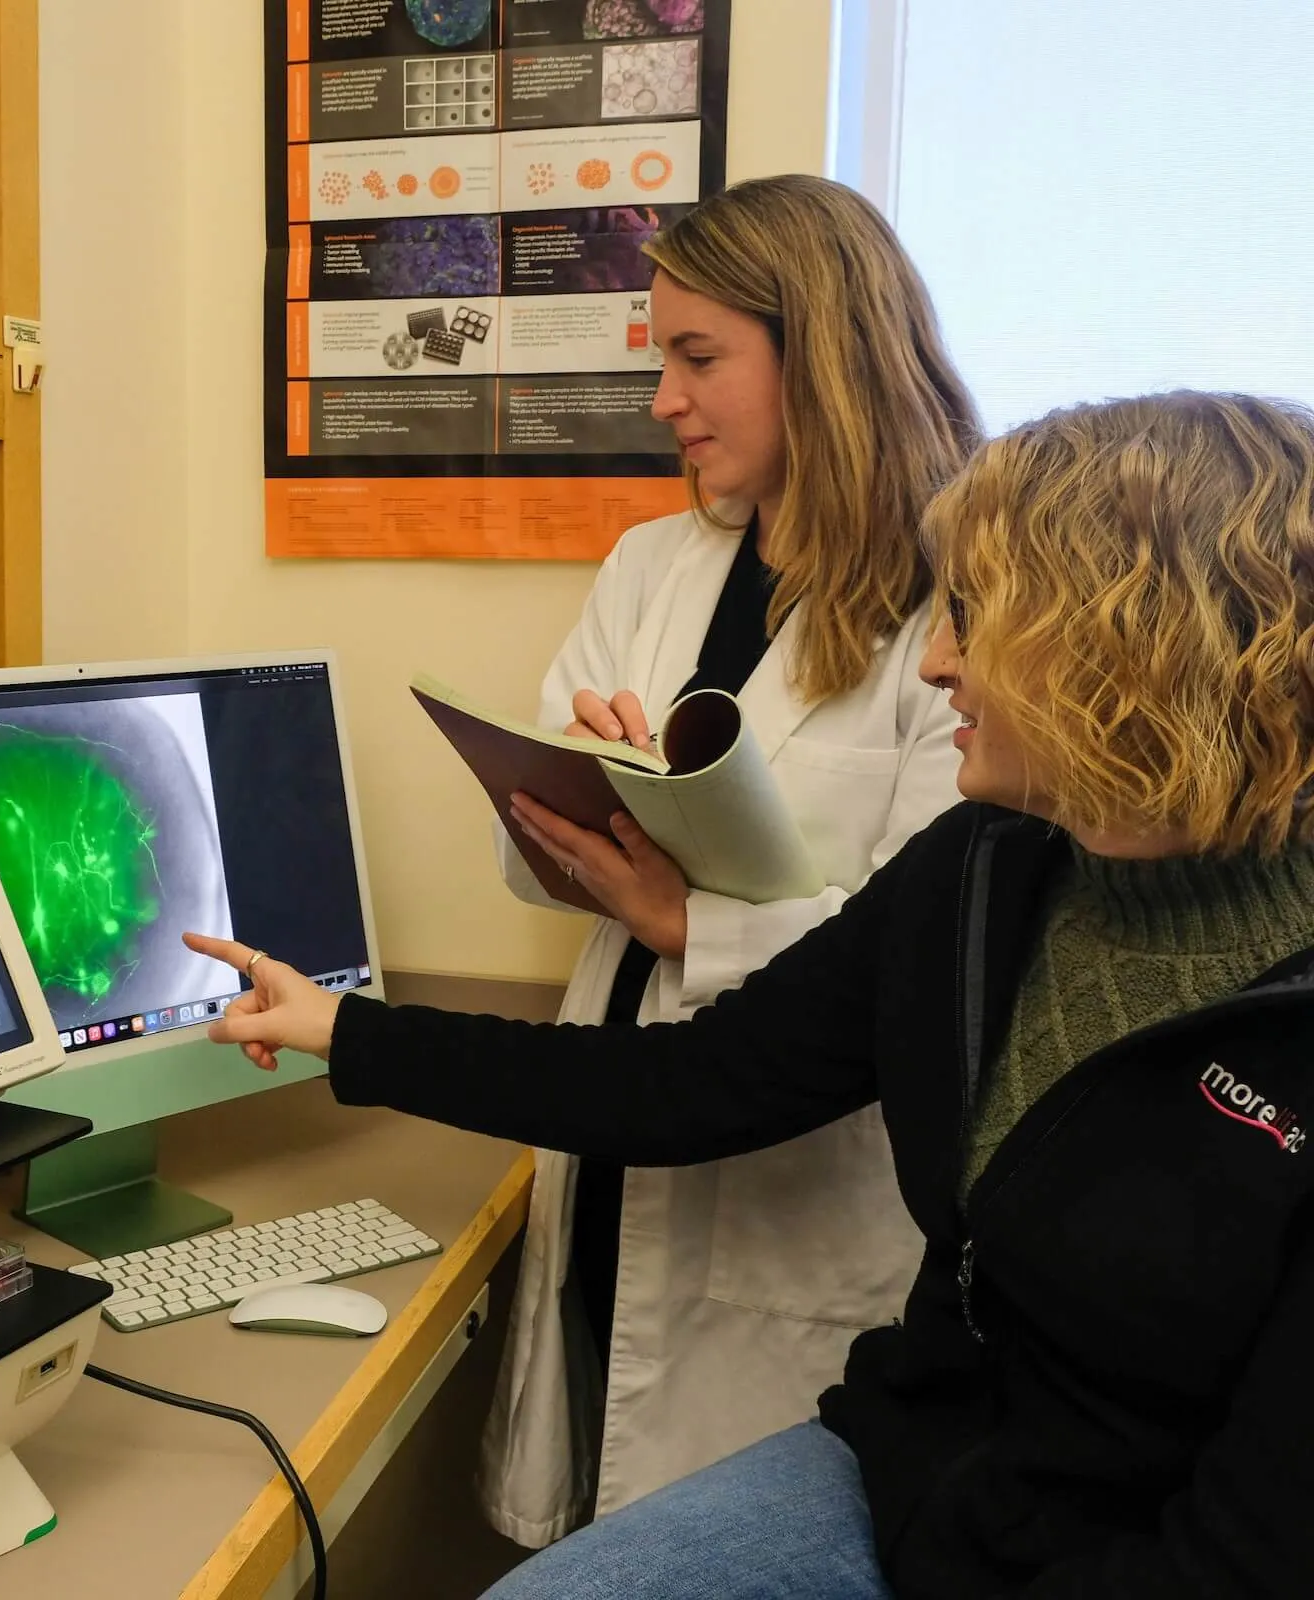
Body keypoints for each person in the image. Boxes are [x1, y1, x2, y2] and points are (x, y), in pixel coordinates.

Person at [189, 390, 1314, 1598]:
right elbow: (689, 1082)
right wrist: (344, 1029)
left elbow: (1249, 1560)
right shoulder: (989, 869)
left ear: (1127, 645)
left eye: (975, 616)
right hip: (924, 1471)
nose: (936, 660)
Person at [469, 173, 979, 1545]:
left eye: (698, 358)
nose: (665, 401)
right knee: (595, 1514)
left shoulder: (956, 607)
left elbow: (931, 948)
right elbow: (531, 846)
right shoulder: (653, 565)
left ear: (825, 354)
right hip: (612, 1124)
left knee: (737, 1544)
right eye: (662, 360)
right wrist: (579, 805)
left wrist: (687, 921)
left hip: (797, 1184)